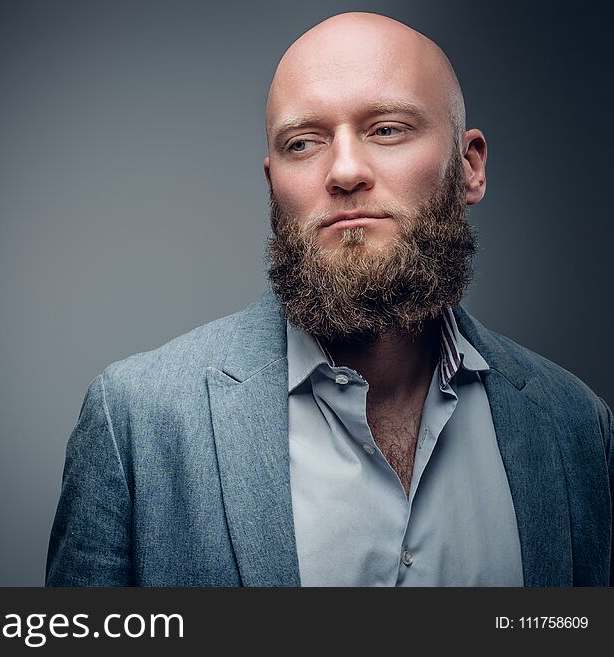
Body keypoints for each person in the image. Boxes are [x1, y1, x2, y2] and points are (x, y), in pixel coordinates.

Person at [45, 12, 613, 586]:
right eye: (303, 143)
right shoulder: (137, 422)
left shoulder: (576, 427)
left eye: (387, 129)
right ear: (273, 184)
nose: (343, 171)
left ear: (469, 167)